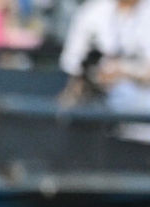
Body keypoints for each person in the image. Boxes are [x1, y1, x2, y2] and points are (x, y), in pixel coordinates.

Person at [58, 0, 150, 143]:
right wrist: (95, 74)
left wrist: (124, 71)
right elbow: (73, 64)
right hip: (94, 95)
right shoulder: (94, 10)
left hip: (140, 101)